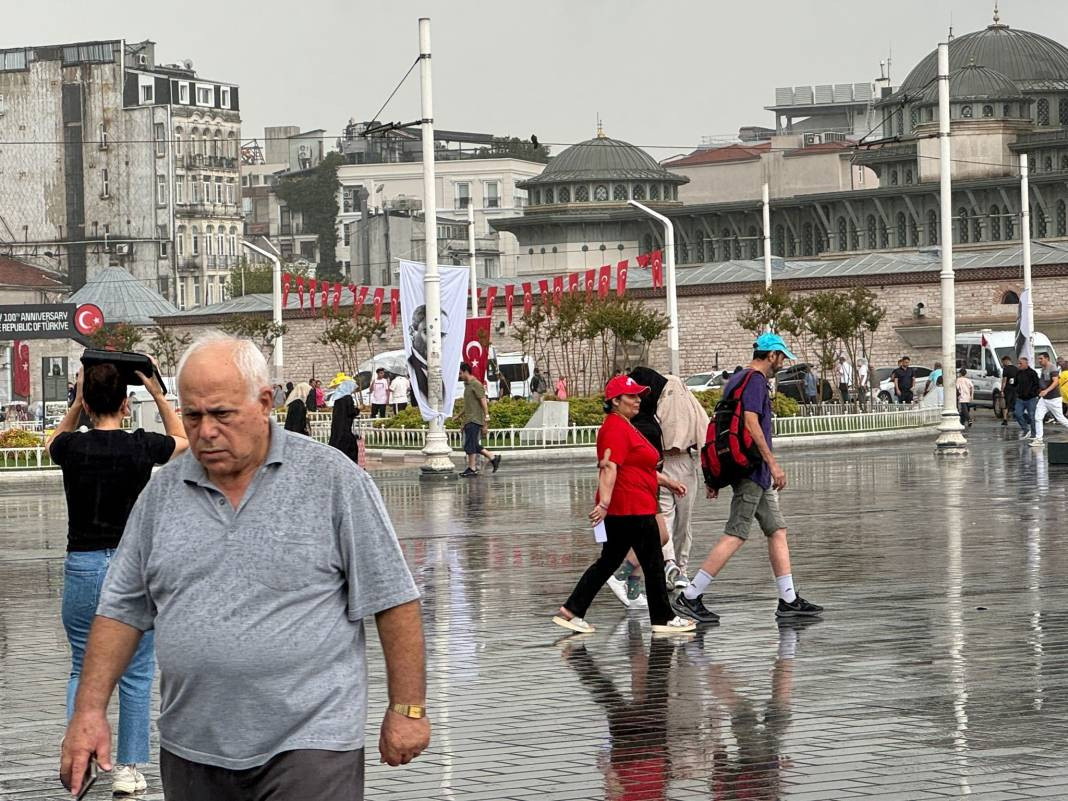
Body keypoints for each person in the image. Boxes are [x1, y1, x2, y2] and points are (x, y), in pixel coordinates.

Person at [59, 334, 429, 800]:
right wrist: (89, 712)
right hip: (193, 745)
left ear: (265, 402)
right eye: (192, 416)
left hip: (311, 742)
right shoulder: (161, 495)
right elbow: (121, 611)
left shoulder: (332, 481)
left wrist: (408, 709)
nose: (206, 431)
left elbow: (393, 598)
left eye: (222, 414)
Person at [48, 360, 189, 796]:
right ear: (127, 404)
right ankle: (126, 769)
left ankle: (80, 754)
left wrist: (76, 402)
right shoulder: (141, 446)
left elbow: (53, 438)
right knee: (136, 671)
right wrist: (159, 393)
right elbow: (183, 438)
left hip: (83, 565)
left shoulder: (71, 447)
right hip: (132, 571)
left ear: (87, 404)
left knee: (80, 665)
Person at [673, 333, 823, 624]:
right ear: (772, 355)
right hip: (752, 470)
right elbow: (751, 423)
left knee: (776, 529)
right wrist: (773, 463)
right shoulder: (754, 381)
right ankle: (690, 596)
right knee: (736, 533)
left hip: (754, 471)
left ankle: (788, 600)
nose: (783, 362)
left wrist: (715, 477)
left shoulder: (737, 379)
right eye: (782, 357)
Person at [552, 374, 696, 635]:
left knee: (608, 562)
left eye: (639, 395)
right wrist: (605, 504)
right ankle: (663, 618)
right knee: (652, 562)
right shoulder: (615, 428)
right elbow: (609, 468)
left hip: (630, 506)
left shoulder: (625, 425)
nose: (638, 400)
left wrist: (668, 483)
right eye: (631, 396)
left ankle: (572, 611)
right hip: (630, 508)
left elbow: (638, 468)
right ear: (615, 401)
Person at [656, 372, 708, 590]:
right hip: (682, 463)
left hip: (664, 464)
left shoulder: (657, 406)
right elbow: (703, 434)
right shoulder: (690, 405)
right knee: (681, 522)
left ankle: (671, 564)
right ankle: (678, 567)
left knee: (668, 519)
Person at [458, 362, 500, 477]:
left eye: (461, 373)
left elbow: (483, 402)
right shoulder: (467, 385)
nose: (459, 376)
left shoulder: (476, 384)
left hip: (475, 419)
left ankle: (472, 468)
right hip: (469, 419)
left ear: (466, 371)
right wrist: (459, 416)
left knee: (470, 444)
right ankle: (492, 457)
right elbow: (468, 405)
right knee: (472, 444)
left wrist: (486, 419)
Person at [1033, 351, 1068, 446]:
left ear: (1047, 358)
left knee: (1060, 418)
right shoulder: (1043, 368)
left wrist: (1046, 391)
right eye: (1038, 359)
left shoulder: (1052, 367)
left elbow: (1056, 382)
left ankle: (1038, 439)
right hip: (1044, 399)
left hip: (1054, 398)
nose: (1039, 360)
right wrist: (1041, 391)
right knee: (1038, 417)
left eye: (1041, 358)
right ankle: (1039, 440)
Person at [328, 377, 361, 463]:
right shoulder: (347, 398)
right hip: (345, 428)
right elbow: (351, 412)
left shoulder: (338, 398)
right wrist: (358, 409)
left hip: (337, 427)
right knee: (350, 448)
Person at [1014, 356, 1040, 441]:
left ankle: (1034, 434)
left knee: (1032, 416)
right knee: (1017, 414)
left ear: (1026, 363)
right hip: (1020, 398)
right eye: (1018, 363)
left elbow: (1037, 384)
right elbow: (1015, 383)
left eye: (1020, 363)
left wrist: (1033, 393)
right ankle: (1026, 429)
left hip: (1031, 398)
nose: (1019, 365)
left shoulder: (1032, 373)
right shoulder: (1018, 373)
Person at [1000, 355, 1018, 427]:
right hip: (1015, 389)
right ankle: (1015, 416)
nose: (1003, 364)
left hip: (1008, 389)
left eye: (1003, 362)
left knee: (1006, 404)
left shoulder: (1006, 369)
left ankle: (1005, 419)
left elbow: (1004, 380)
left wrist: (1002, 390)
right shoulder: (1016, 369)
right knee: (1014, 403)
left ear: (1006, 361)